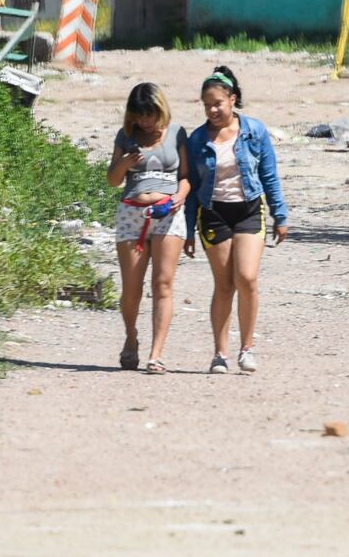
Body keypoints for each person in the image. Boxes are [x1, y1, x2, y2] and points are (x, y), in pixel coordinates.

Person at [181, 66, 289, 373]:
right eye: (206, 105)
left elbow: (269, 176)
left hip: (249, 210)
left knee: (247, 278)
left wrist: (280, 215)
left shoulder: (255, 131)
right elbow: (190, 189)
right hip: (213, 214)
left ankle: (247, 348)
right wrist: (188, 229)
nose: (212, 110)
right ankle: (220, 353)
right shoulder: (198, 139)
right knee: (224, 284)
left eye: (218, 103)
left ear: (233, 99)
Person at [105, 82, 190, 371]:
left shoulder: (178, 133)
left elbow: (186, 176)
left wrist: (180, 197)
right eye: (140, 116)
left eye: (150, 114)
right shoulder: (126, 136)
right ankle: (131, 338)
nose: (145, 121)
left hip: (169, 213)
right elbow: (113, 181)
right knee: (132, 287)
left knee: (163, 283)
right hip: (133, 213)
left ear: (161, 109)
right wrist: (125, 163)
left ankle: (157, 353)